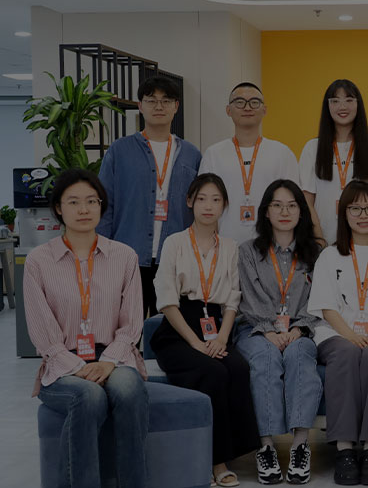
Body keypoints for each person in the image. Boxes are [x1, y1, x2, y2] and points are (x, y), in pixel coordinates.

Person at [25, 169, 149, 488]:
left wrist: (108, 361)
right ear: (58, 208)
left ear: (101, 205)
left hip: (114, 357)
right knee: (89, 395)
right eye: (74, 202)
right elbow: (42, 330)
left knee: (128, 389)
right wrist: (77, 366)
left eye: (92, 201)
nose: (84, 209)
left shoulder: (124, 256)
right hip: (62, 363)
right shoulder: (39, 261)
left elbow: (132, 322)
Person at [152, 173, 259, 487]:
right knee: (212, 371)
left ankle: (236, 451)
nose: (208, 206)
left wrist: (223, 337)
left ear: (224, 205)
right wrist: (195, 343)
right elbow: (167, 301)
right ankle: (215, 461)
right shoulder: (174, 242)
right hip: (178, 331)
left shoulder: (230, 247)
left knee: (237, 367)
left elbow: (232, 299)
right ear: (190, 202)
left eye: (215, 200)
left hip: (215, 327)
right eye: (201, 199)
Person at [309, 180, 368, 486]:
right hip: (336, 334)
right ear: (344, 213)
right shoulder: (330, 255)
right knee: (347, 354)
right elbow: (326, 307)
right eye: (355, 208)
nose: (363, 215)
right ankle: (345, 450)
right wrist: (350, 334)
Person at [235, 180, 322, 485]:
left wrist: (298, 329)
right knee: (265, 358)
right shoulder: (248, 252)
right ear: (266, 211)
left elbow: (319, 299)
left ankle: (300, 446)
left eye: (292, 205)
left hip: (302, 330)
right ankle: (266, 448)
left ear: (301, 211)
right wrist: (269, 331)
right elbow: (249, 296)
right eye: (277, 205)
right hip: (255, 329)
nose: (285, 212)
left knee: (300, 356)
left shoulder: (317, 253)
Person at [97, 75, 201, 317]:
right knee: (126, 324)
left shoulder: (191, 154)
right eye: (151, 100)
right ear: (140, 106)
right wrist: (101, 251)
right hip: (127, 254)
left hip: (176, 258)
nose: (159, 106)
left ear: (176, 106)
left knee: (168, 327)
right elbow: (103, 204)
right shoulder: (119, 150)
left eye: (166, 101)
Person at [199, 82, 300, 244]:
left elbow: (294, 203)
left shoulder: (282, 153)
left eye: (254, 102)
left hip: (271, 246)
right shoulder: (214, 154)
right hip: (224, 244)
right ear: (228, 110)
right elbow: (205, 205)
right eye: (240, 102)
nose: (247, 108)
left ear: (264, 110)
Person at [299, 79, 368, 245]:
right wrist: (319, 240)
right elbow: (306, 202)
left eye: (349, 100)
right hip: (323, 240)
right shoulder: (313, 147)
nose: (342, 106)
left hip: (364, 241)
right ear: (327, 106)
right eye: (335, 101)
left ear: (358, 104)